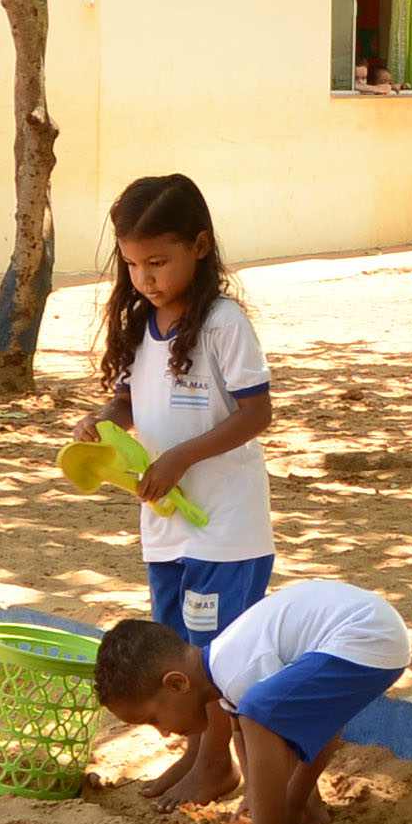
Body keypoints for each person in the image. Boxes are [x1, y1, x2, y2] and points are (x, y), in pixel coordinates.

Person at [75, 172, 280, 641]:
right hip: (164, 530)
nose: (144, 278)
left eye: (158, 262)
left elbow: (257, 412)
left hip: (226, 531)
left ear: (201, 246)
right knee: (174, 664)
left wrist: (180, 457)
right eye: (131, 264)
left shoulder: (223, 324)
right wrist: (103, 423)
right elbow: (130, 399)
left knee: (214, 664)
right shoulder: (138, 324)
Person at [92, 577, 412, 824]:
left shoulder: (236, 670)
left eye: (153, 719)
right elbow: (251, 734)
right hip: (371, 638)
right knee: (261, 717)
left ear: (176, 684)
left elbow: (262, 727)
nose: (162, 731)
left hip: (365, 638)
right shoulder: (223, 670)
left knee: (259, 714)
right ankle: (304, 810)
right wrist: (258, 800)